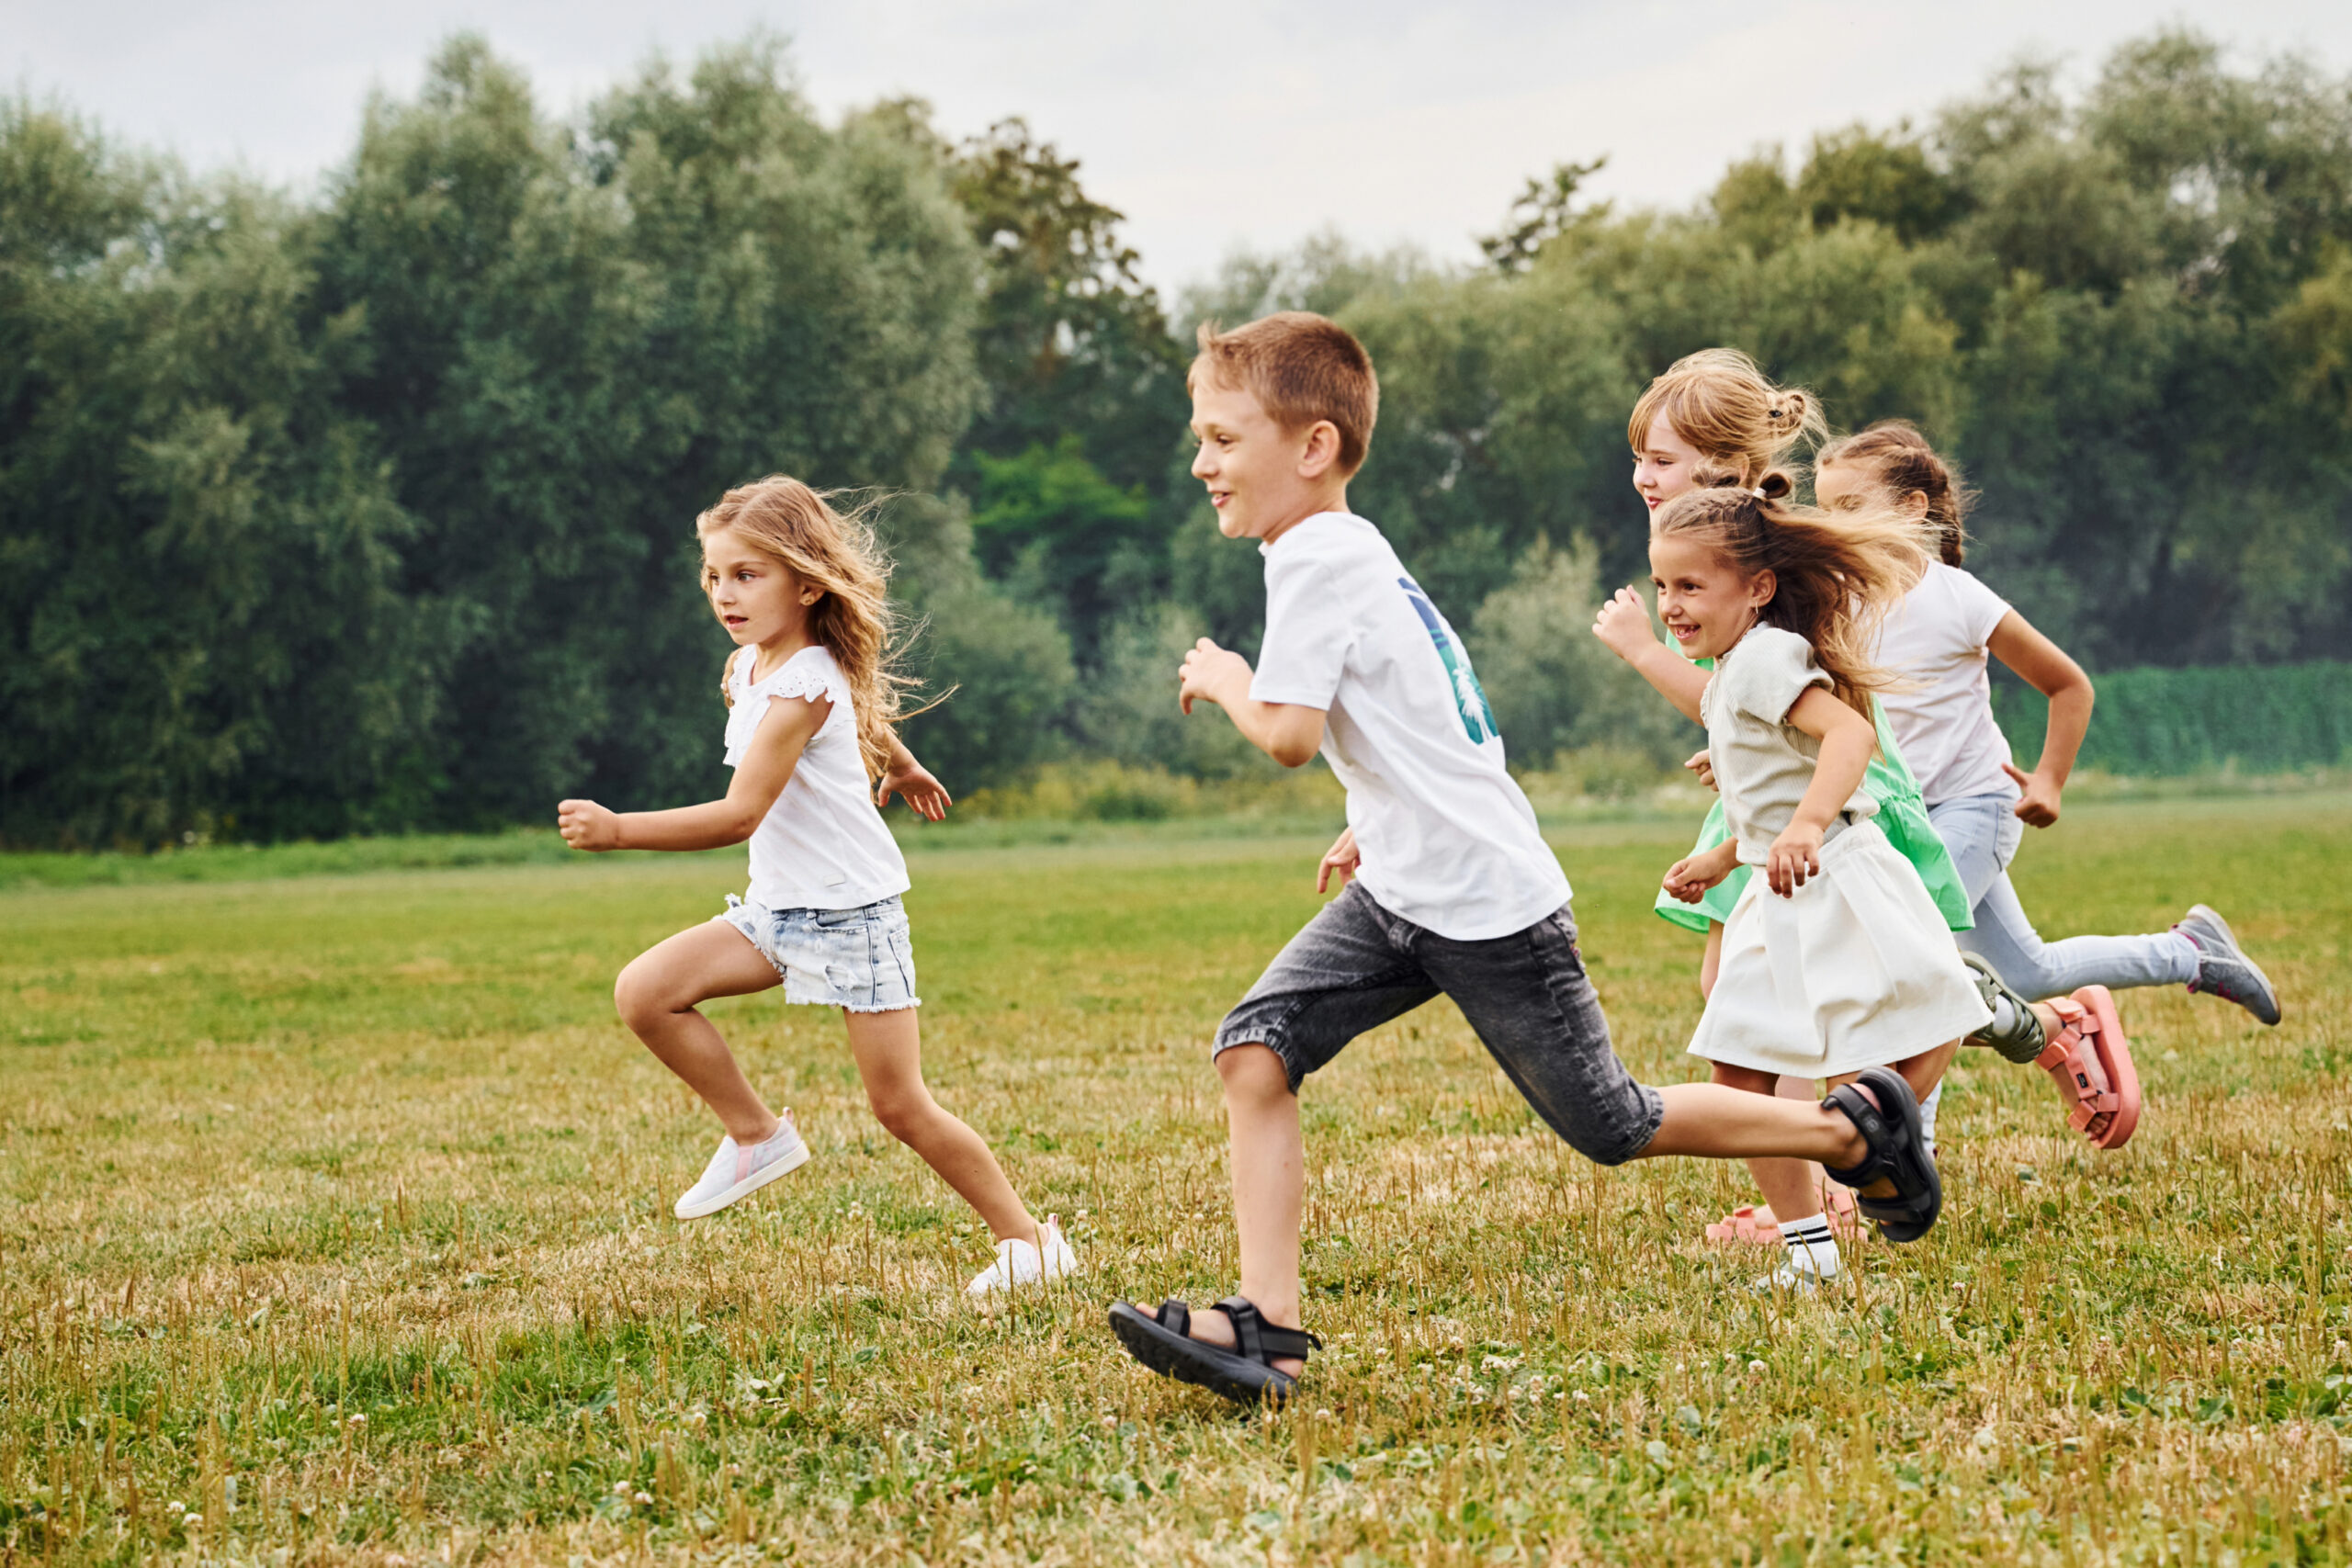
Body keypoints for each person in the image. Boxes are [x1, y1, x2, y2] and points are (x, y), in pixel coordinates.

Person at [1106, 314, 1941, 1407]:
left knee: (1611, 1124)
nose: (1201, 462)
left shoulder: (1314, 557)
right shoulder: (1342, 548)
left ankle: (1850, 1131)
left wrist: (1222, 675)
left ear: (1311, 447)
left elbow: (1287, 733)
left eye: (1221, 438)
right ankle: (1269, 1330)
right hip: (1408, 883)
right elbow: (1442, 718)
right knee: (1254, 1052)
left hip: (1482, 904)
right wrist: (1379, 814)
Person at [556, 476, 1078, 1296]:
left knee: (901, 1107)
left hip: (852, 915)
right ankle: (755, 1133)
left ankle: (1029, 1242)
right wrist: (900, 763)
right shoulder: (752, 668)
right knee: (645, 991)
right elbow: (860, 714)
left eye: (746, 575)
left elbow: (740, 813)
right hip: (778, 909)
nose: (724, 593)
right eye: (713, 576)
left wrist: (619, 828)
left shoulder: (803, 680)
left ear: (805, 582)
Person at [1622, 474, 1996, 1290]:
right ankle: (1812, 1248)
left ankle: (1875, 1145)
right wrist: (1723, 858)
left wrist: (1803, 827)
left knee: (1911, 1032)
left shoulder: (1760, 660)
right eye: (1662, 586)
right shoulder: (1730, 670)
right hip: (1773, 891)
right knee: (1739, 1076)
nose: (1671, 604)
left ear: (1757, 589)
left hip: (1837, 875)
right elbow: (1772, 785)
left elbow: (1848, 737)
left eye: (1691, 584)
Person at [1815, 423, 2281, 1042]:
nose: (1831, 525)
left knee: (1905, 944)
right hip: (1902, 816)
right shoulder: (1837, 601)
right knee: (2028, 970)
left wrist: (2051, 781)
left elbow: (2069, 685)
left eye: (1849, 508)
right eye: (1823, 511)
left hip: (1975, 803)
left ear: (1912, 508)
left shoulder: (1958, 598)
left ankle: (1907, 1135)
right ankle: (2191, 953)